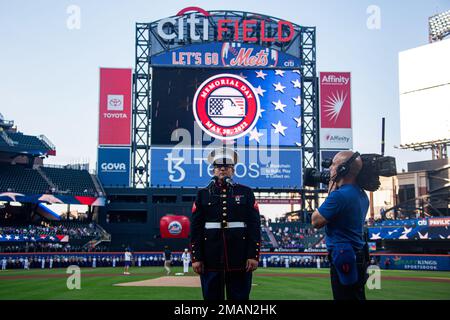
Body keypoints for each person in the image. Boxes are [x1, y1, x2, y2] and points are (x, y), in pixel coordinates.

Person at [191, 147, 261, 300]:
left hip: (240, 258)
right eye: (218, 166)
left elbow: (254, 226)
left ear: (233, 170)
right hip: (210, 259)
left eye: (227, 166)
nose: (222, 169)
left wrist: (253, 255)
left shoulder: (246, 192)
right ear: (213, 170)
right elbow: (195, 229)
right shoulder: (203, 194)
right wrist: (196, 258)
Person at [311, 151, 370, 300]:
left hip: (344, 255)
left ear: (343, 169)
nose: (330, 169)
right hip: (357, 255)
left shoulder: (339, 196)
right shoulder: (361, 194)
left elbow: (315, 221)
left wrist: (331, 190)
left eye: (334, 165)